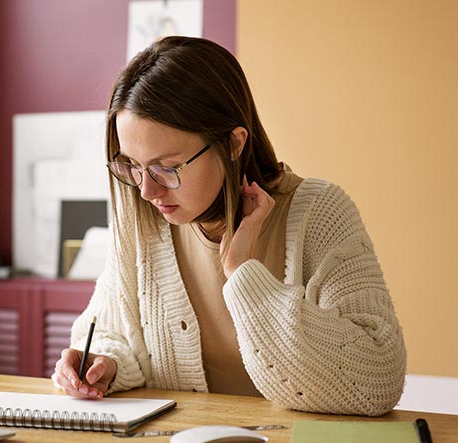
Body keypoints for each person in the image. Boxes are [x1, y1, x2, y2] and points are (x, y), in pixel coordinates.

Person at [51, 36, 407, 416]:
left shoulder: (320, 212)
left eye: (167, 167)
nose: (146, 191)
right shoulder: (144, 222)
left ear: (234, 143)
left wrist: (244, 275)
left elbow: (376, 380)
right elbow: (111, 331)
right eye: (132, 166)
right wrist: (106, 365)